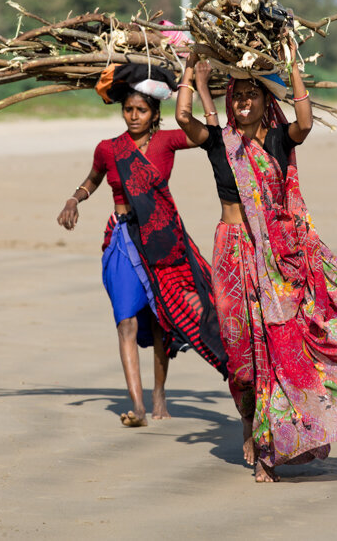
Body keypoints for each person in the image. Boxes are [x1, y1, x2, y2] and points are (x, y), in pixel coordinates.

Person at [175, 47, 337, 482]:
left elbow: (306, 122)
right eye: (236, 94)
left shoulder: (279, 140)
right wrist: (190, 71)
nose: (242, 102)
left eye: (250, 94)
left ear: (265, 100)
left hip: (275, 263)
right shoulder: (221, 142)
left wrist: (293, 60)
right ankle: (247, 421)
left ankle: (267, 449)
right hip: (232, 254)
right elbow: (184, 118)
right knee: (241, 354)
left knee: (274, 349)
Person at [57, 63, 227, 428]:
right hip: (122, 240)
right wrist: (74, 199)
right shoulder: (108, 148)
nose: (133, 116)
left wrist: (195, 83)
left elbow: (208, 134)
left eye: (141, 110)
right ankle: (137, 405)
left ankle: (159, 395)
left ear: (154, 114)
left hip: (163, 242)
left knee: (163, 320)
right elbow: (92, 180)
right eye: (128, 110)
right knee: (126, 323)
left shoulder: (168, 142)